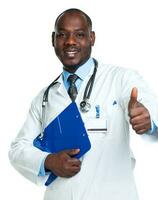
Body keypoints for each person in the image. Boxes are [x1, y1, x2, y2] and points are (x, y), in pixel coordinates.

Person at [9, 8, 158, 200]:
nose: (70, 41)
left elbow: (149, 106)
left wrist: (148, 120)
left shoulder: (120, 79)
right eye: (62, 35)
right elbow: (18, 150)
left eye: (79, 34)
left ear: (92, 38)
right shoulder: (44, 99)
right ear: (53, 39)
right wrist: (48, 161)